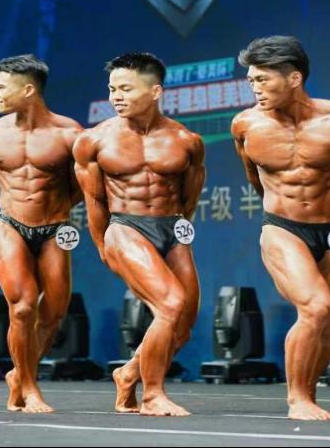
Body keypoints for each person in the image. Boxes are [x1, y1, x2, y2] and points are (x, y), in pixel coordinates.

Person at [231, 36, 330, 420]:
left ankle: (308, 392)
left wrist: (322, 207)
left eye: (263, 80)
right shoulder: (245, 125)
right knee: (315, 306)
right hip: (282, 228)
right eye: (252, 80)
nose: (255, 88)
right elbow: (255, 180)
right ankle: (297, 399)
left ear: (294, 78)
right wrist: (286, 207)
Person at [73, 52, 205, 416]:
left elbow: (189, 198)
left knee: (183, 325)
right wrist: (103, 245)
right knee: (170, 304)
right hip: (125, 227)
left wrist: (177, 232)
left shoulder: (187, 140)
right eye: (112, 88)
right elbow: (94, 200)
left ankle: (128, 373)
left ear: (155, 91)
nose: (116, 96)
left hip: (171, 229)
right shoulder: (93, 141)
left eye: (126, 89)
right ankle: (153, 396)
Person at [0, 54, 82, 413]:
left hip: (55, 228)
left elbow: (81, 187)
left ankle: (19, 373)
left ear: (27, 89)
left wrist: (57, 210)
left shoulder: (70, 133)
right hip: (9, 225)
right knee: (23, 307)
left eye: (0, 87)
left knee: (54, 313)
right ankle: (30, 387)